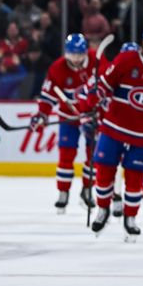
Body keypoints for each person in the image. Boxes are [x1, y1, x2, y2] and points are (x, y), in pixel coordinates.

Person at [81, 26, 143, 241]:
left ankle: (130, 218)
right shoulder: (127, 59)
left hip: (142, 136)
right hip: (113, 130)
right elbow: (105, 85)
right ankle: (103, 210)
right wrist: (95, 97)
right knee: (103, 173)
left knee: (135, 179)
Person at [29, 33, 96, 213]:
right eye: (72, 55)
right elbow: (48, 96)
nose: (75, 59)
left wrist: (99, 112)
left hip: (90, 117)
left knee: (94, 155)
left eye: (79, 55)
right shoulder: (57, 68)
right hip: (68, 118)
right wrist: (41, 114)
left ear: (85, 53)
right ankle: (63, 192)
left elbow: (107, 87)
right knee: (66, 154)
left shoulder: (96, 62)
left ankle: (88, 190)